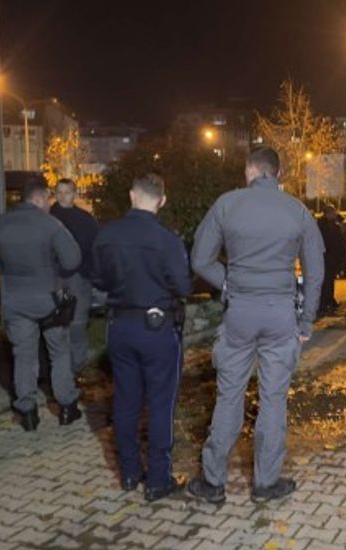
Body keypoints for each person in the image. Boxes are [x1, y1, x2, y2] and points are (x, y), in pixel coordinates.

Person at [187, 147, 323, 504]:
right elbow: (315, 272)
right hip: (280, 316)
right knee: (274, 399)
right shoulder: (298, 210)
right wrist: (306, 320)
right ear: (278, 174)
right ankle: (266, 483)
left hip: (240, 314)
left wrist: (229, 282)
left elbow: (200, 259)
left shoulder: (227, 204)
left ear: (249, 171)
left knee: (229, 396)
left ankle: (213, 483)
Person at [89, 173, 192, 502]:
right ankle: (158, 480)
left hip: (120, 327)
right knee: (160, 403)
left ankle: (130, 473)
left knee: (125, 401)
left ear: (132, 195)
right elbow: (184, 286)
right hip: (157, 330)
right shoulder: (167, 240)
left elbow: (98, 280)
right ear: (162, 200)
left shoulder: (107, 235)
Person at [0, 179, 82, 431]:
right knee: (59, 353)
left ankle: (28, 413)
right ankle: (66, 407)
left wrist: (9, 270)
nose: (48, 204)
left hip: (15, 301)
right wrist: (53, 269)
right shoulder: (51, 224)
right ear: (39, 198)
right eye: (47, 199)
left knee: (23, 356)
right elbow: (73, 259)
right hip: (49, 299)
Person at [50, 178, 100, 376]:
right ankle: (60, 372)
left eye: (67, 192)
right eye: (59, 192)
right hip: (53, 279)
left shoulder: (86, 220)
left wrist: (88, 273)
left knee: (77, 325)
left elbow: (95, 249)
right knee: (55, 328)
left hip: (79, 279)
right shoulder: (47, 218)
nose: (63, 196)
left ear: (74, 194)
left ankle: (76, 369)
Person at [317, 204, 345, 315]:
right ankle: (324, 306)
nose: (335, 214)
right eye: (333, 212)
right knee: (326, 282)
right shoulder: (323, 226)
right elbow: (332, 241)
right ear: (328, 213)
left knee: (329, 281)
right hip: (326, 257)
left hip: (331, 258)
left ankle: (329, 302)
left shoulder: (331, 225)